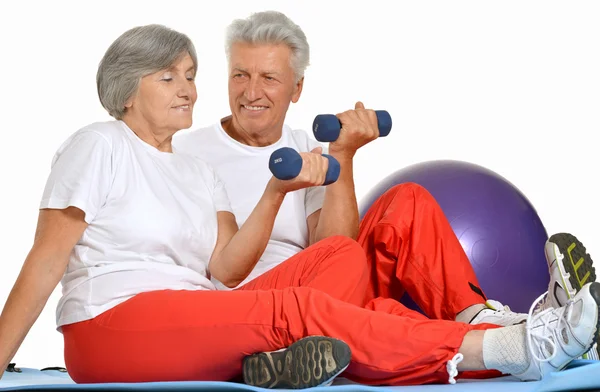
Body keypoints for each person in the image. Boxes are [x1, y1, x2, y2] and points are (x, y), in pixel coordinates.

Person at [0, 23, 598, 391]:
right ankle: (517, 345)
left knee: (334, 261)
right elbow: (46, 262)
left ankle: (509, 335)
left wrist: (275, 191)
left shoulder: (193, 169)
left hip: (198, 307)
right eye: (168, 78)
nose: (188, 89)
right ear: (126, 91)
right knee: (299, 310)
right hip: (112, 321)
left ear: (296, 88)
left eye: (190, 74)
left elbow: (226, 271)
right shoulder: (97, 144)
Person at [172, 10, 598, 357]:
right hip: (256, 306)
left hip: (326, 286)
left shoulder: (307, 148)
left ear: (296, 88)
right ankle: (541, 333)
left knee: (406, 200)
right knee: (387, 320)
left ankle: (481, 317)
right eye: (240, 75)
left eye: (269, 78)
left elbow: (335, 248)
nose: (251, 92)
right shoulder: (188, 152)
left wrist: (341, 154)